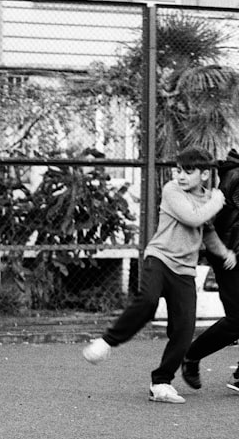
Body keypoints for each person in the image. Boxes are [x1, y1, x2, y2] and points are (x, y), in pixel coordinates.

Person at [82, 147, 236, 404]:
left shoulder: (208, 198)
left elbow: (207, 231)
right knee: (148, 300)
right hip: (160, 259)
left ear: (205, 175)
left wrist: (224, 252)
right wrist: (218, 201)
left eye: (189, 171)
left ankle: (161, 382)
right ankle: (106, 343)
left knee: (184, 331)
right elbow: (192, 217)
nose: (181, 176)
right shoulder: (172, 190)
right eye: (179, 170)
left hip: (185, 270)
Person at [179, 148, 239, 393]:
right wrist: (225, 252)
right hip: (231, 253)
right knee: (237, 319)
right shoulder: (236, 176)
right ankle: (191, 356)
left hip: (231, 250)